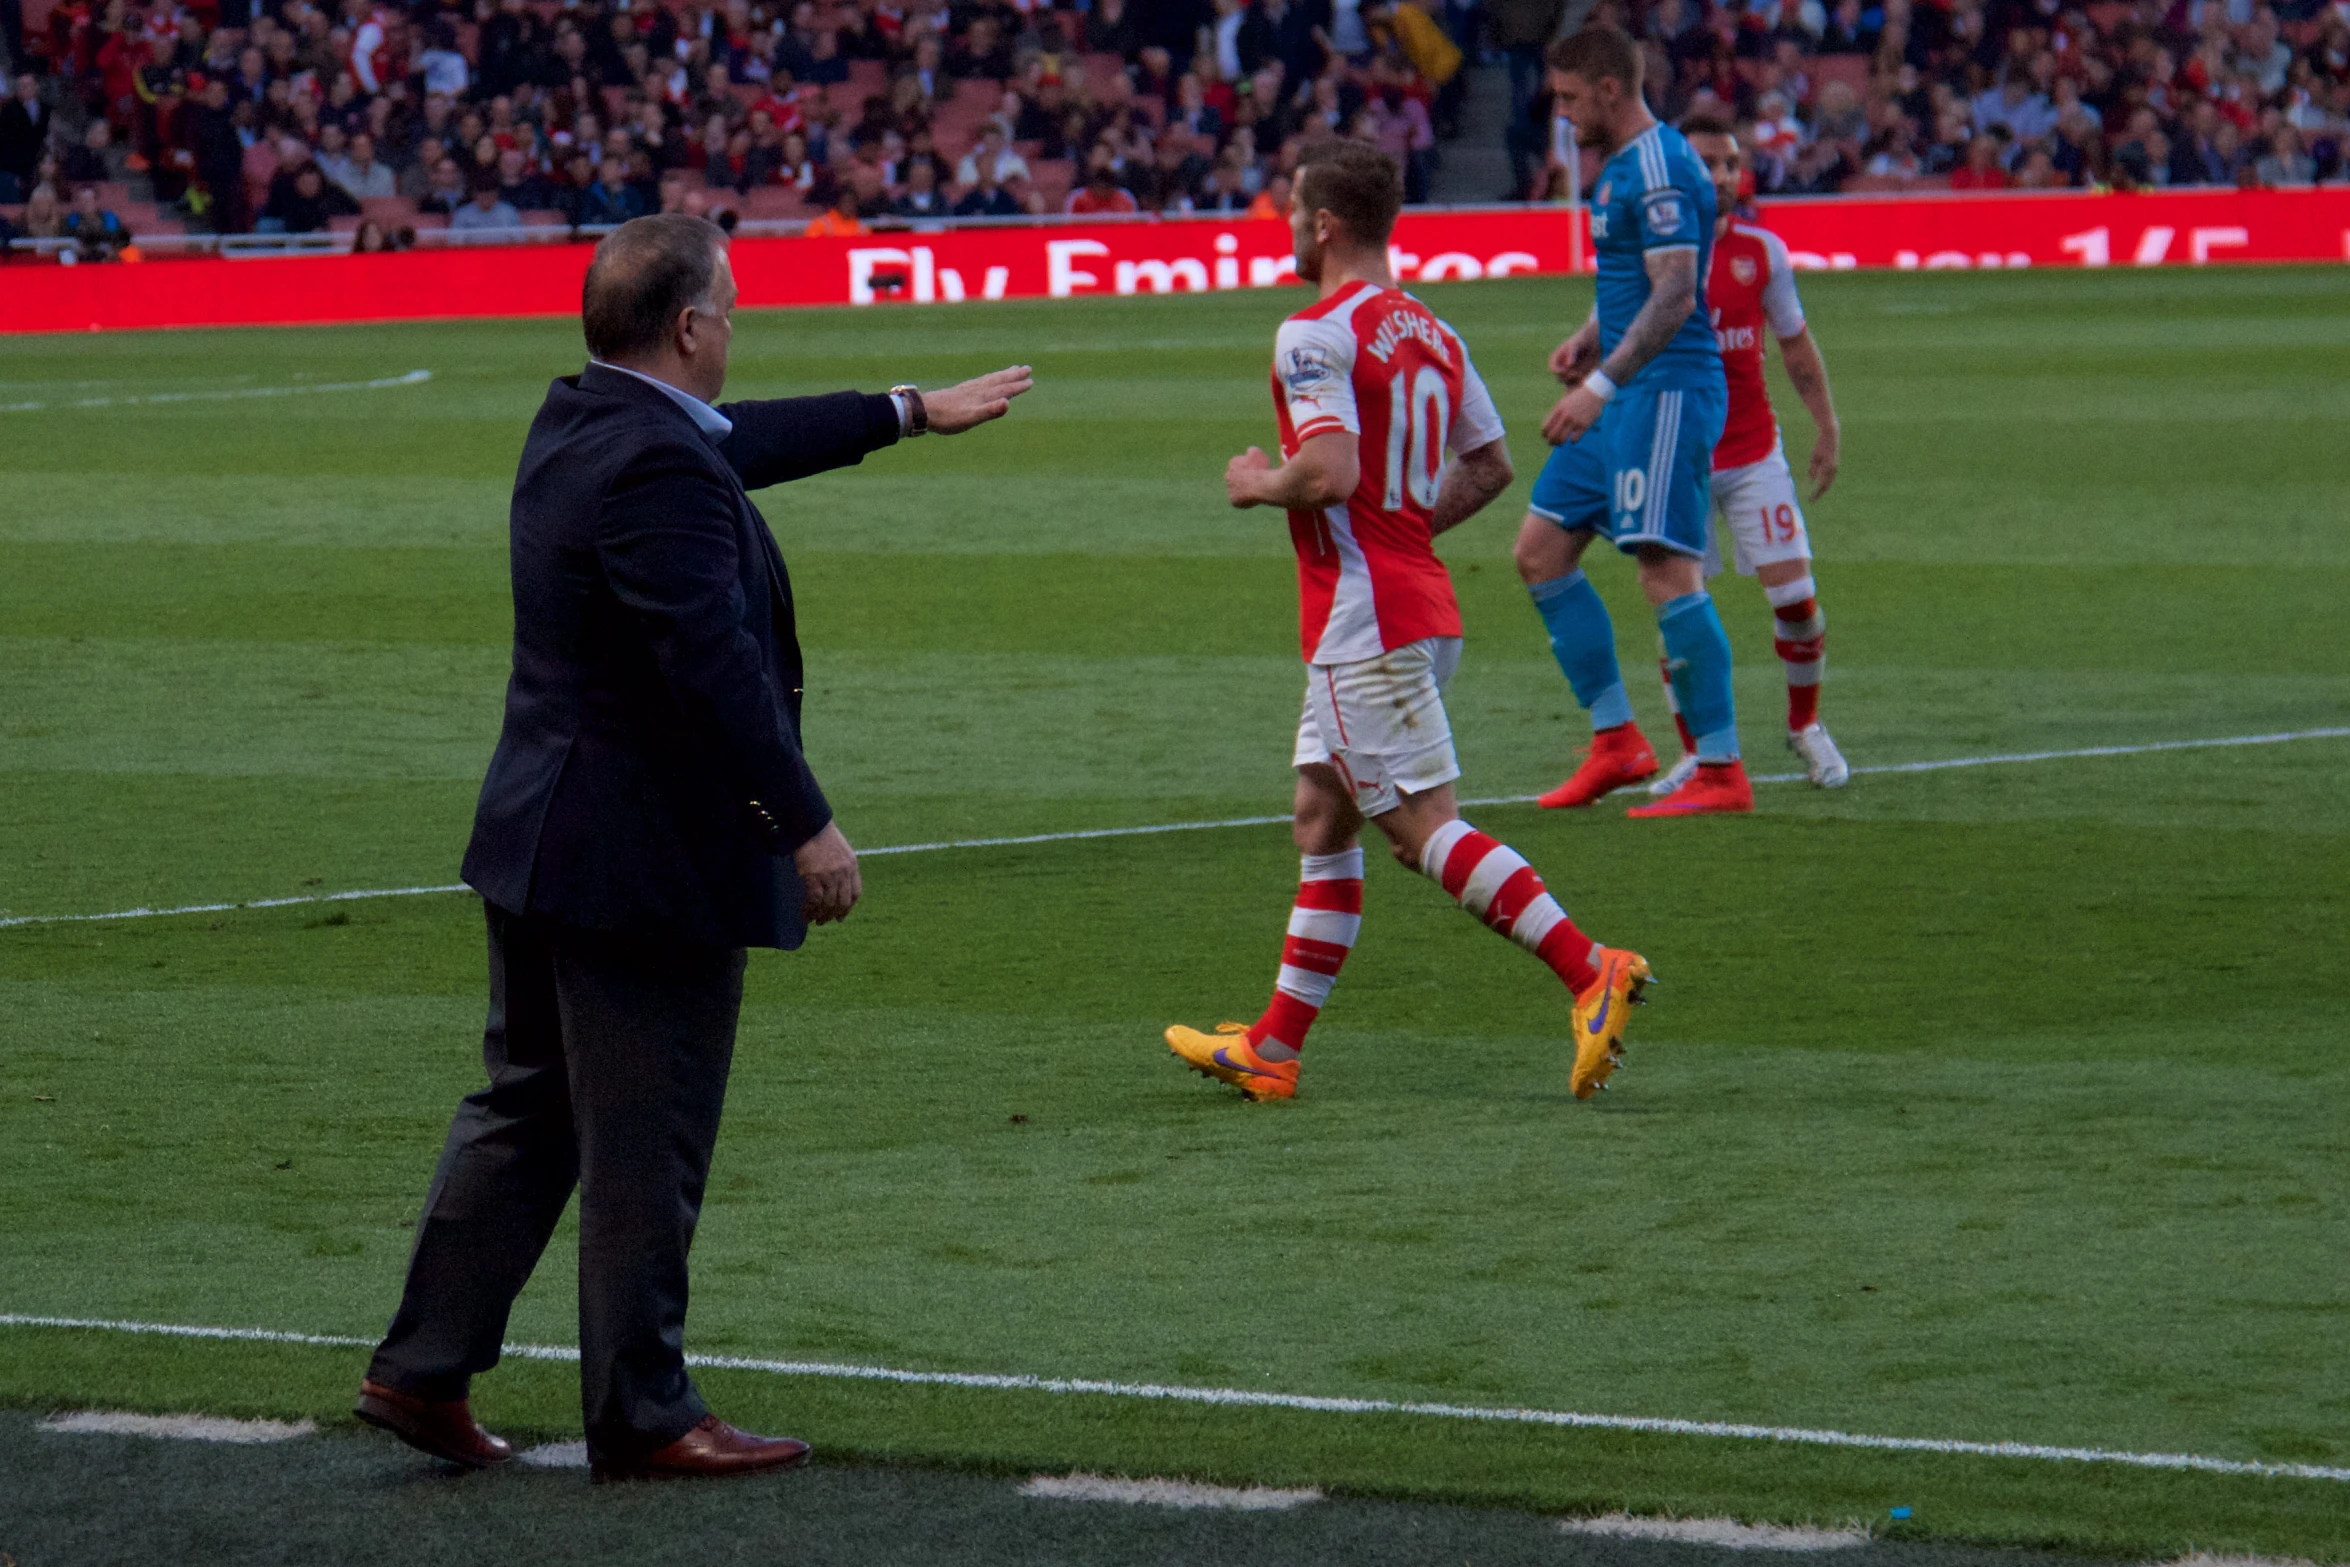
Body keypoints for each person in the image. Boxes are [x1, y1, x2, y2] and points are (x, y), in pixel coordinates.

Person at [356, 213, 1034, 1482]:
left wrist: (907, 409)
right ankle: (645, 1410)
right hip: (641, 863)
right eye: (728, 308)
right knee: (643, 1138)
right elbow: (711, 667)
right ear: (687, 326)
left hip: (541, 838)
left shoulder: (580, 417)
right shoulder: (659, 465)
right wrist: (806, 822)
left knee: (529, 1110)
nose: (734, 327)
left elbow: (739, 445)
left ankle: (420, 1364)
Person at [1164, 142, 1653, 1106]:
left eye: (1293, 208)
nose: (1288, 224)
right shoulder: (1434, 330)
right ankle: (1274, 1045)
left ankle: (1592, 966)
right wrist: (1398, 530)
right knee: (1320, 813)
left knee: (1422, 826)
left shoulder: (1314, 333)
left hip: (1366, 619)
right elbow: (1492, 465)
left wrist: (1256, 483)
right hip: (1416, 600)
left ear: (1325, 225)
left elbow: (1331, 473)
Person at [1512, 26, 1745, 818]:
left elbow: (1677, 292)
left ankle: (1720, 768)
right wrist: (1591, 332)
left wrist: (1600, 386)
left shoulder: (1663, 165)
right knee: (1540, 552)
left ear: (1610, 89)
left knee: (1664, 569)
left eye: (1572, 98)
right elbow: (1635, 275)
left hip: (1665, 392)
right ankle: (1617, 742)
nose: (1564, 112)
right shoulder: (1619, 170)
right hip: (1624, 388)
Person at [1649, 115, 1849, 795]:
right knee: (1679, 612)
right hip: (1678, 459)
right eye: (1707, 163)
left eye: (1730, 164)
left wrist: (1825, 425)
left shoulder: (1762, 253)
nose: (1722, 177)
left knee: (1796, 601)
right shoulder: (1650, 256)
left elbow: (1793, 343)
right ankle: (1700, 753)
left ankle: (1806, 725)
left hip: (1755, 452)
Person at [450, 178, 521, 231]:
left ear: (496, 194)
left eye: (490, 194)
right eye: (482, 194)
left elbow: (519, 240)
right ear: (474, 194)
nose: (486, 198)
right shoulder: (462, 214)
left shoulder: (509, 212)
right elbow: (454, 241)